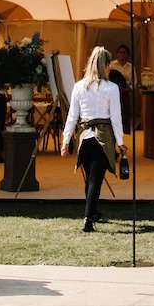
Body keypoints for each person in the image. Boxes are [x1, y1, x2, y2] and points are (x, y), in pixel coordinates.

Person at [60, 46, 125, 232]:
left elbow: (72, 115)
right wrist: (120, 142)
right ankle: (88, 217)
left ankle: (93, 212)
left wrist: (65, 141)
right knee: (95, 179)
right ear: (105, 65)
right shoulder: (111, 88)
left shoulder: (79, 86)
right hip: (102, 137)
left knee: (90, 178)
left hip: (84, 137)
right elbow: (116, 116)